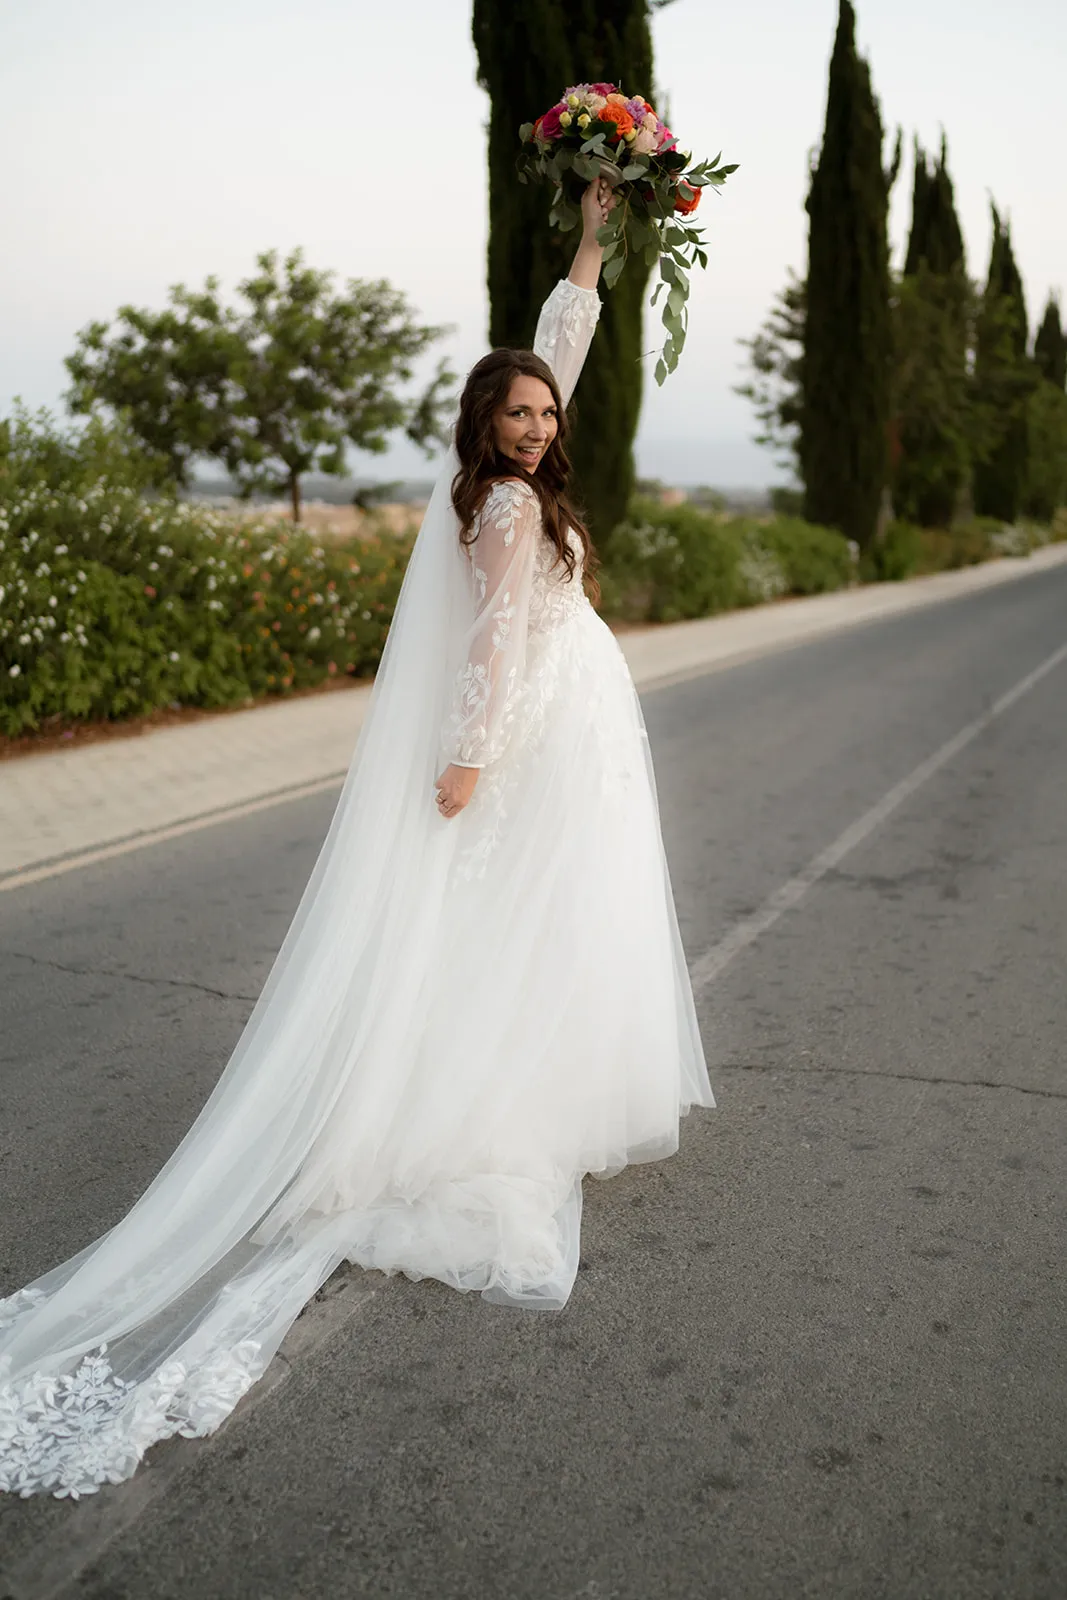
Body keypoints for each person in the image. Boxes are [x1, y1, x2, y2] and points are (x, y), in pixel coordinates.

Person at [0, 179, 714, 1499]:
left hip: (573, 730)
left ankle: (506, 1082)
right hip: (534, 737)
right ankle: (458, 1111)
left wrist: (592, 246)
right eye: (516, 412)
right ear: (481, 425)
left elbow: (558, 347)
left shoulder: (519, 481)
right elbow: (490, 642)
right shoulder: (506, 509)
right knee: (515, 917)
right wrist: (470, 757)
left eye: (545, 412)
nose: (537, 422)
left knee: (530, 922)